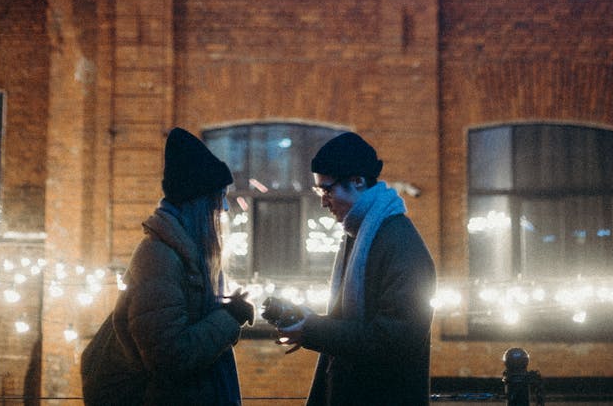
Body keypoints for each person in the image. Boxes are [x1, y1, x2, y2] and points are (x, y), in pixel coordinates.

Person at [83, 127, 254, 406]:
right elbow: (169, 357)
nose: (223, 208)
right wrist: (228, 318)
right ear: (198, 204)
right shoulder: (158, 259)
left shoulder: (182, 256)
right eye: (218, 198)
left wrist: (224, 312)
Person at [275, 131, 436, 406]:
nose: (323, 201)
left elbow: (395, 340)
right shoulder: (360, 234)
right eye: (319, 191)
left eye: (327, 189)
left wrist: (312, 329)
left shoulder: (397, 242)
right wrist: (311, 325)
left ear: (358, 181)